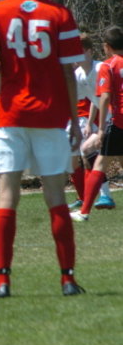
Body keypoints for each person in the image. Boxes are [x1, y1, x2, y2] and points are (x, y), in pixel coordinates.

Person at [0, 0, 86, 298]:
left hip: (11, 116)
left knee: (7, 196)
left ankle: (2, 281)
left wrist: (6, 67)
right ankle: (67, 279)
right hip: (50, 116)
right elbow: (69, 72)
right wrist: (75, 121)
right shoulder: (60, 14)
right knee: (55, 196)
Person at [70, 26, 123, 222]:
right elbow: (95, 99)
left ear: (105, 47)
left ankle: (87, 209)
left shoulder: (105, 66)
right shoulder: (80, 74)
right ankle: (98, 199)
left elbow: (104, 97)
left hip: (116, 120)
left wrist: (100, 129)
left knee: (96, 158)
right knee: (91, 153)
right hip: (114, 120)